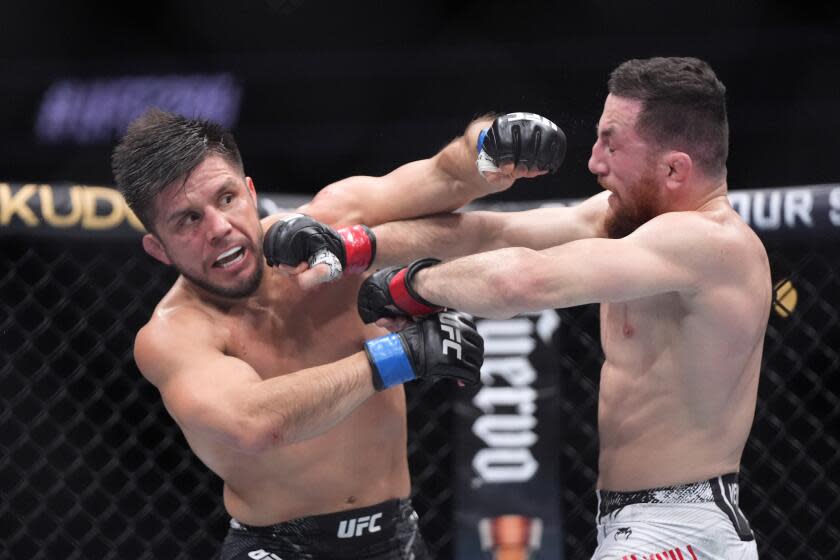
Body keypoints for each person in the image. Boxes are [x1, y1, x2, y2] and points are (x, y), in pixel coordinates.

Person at [277, 57, 769, 559]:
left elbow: (521, 280)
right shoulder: (627, 221)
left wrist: (414, 284)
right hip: (639, 522)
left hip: (682, 530)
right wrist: (355, 246)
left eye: (612, 144)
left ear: (673, 168)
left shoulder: (711, 243)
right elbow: (493, 232)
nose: (595, 162)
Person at [111, 108, 560, 559]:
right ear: (158, 249)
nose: (218, 228)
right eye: (187, 220)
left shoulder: (330, 226)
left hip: (396, 537)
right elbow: (254, 423)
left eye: (226, 198)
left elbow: (447, 176)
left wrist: (494, 143)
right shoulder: (172, 335)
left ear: (249, 192)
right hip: (276, 547)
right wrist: (400, 355)